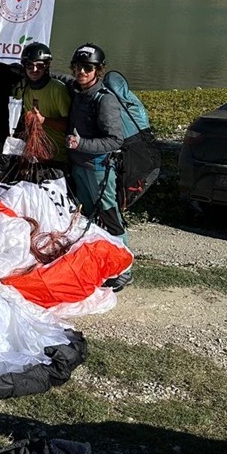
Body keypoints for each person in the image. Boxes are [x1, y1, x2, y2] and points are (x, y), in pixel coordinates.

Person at [66, 42, 131, 289]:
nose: (82, 72)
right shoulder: (78, 91)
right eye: (78, 67)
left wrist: (81, 143)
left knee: (110, 217)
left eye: (88, 67)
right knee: (86, 218)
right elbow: (57, 77)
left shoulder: (104, 100)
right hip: (80, 166)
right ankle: (98, 263)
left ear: (98, 70)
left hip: (99, 170)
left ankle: (125, 269)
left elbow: (116, 139)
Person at [13, 42, 71, 165]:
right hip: (34, 154)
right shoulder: (26, 88)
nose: (34, 70)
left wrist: (43, 120)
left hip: (57, 156)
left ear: (47, 66)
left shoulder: (58, 89)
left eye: (40, 66)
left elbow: (69, 125)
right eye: (30, 66)